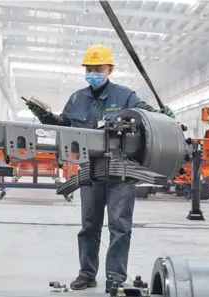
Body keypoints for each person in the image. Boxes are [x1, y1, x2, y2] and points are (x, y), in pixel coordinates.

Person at [27, 44, 174, 290]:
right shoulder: (76, 98)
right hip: (91, 172)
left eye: (98, 68)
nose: (93, 72)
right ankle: (86, 274)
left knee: (120, 227)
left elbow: (148, 115)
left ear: (109, 69)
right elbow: (64, 124)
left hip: (120, 173)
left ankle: (115, 278)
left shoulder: (126, 96)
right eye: (89, 68)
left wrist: (164, 115)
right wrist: (45, 116)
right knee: (89, 227)